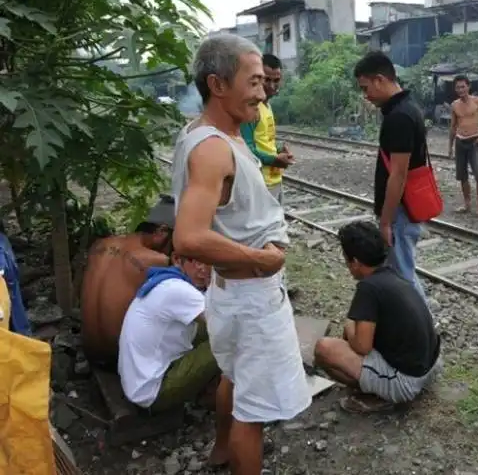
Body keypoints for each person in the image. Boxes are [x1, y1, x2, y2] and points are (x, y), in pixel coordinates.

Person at [172, 33, 310, 473]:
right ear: (217, 85)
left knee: (232, 376)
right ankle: (236, 452)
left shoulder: (204, 133)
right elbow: (188, 237)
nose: (262, 91)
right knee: (253, 414)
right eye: (252, 82)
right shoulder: (214, 150)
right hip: (251, 296)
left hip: (227, 293)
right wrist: (261, 259)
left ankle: (219, 450)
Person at [313, 221, 441, 412]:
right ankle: (380, 385)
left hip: (407, 381)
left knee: (324, 349)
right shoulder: (394, 274)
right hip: (432, 365)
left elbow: (362, 346)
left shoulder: (368, 287)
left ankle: (379, 396)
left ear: (355, 262)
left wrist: (349, 324)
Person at [353, 51, 428, 304]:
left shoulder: (399, 117)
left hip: (400, 212)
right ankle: (422, 329)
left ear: (379, 79)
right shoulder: (406, 109)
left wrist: (385, 222)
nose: (366, 95)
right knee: (403, 269)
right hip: (403, 210)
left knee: (403, 276)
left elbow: (398, 175)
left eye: (366, 88)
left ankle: (423, 333)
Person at [118, 246, 219, 412]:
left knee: (207, 331)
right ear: (178, 260)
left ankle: (210, 390)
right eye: (195, 261)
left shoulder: (165, 280)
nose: (202, 269)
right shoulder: (178, 290)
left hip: (137, 382)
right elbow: (227, 325)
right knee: (227, 340)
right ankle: (214, 398)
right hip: (153, 392)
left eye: (208, 262)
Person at [81, 196, 175, 369]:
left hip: (90, 352)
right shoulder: (157, 260)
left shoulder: (100, 245)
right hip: (121, 358)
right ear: (161, 232)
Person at [240, 53, 293, 204]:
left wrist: (278, 150)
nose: (271, 85)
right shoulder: (252, 109)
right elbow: (246, 149)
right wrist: (274, 159)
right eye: (266, 80)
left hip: (274, 180)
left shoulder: (266, 106)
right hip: (259, 183)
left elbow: (262, 140)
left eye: (276, 80)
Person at [448, 75, 478, 217]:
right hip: (460, 141)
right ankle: (467, 204)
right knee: (462, 176)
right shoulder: (454, 105)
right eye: (458, 87)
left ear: (468, 87)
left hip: (474, 142)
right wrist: (450, 146)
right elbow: (453, 126)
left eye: (463, 86)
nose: (460, 90)